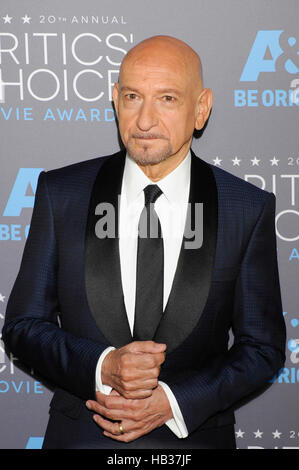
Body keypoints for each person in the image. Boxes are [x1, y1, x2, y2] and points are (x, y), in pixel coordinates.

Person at [2, 35, 286, 449]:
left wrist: (173, 402)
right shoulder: (61, 193)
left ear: (201, 108)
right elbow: (23, 326)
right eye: (133, 96)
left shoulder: (246, 208)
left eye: (167, 98)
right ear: (115, 99)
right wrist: (103, 365)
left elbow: (262, 349)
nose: (145, 121)